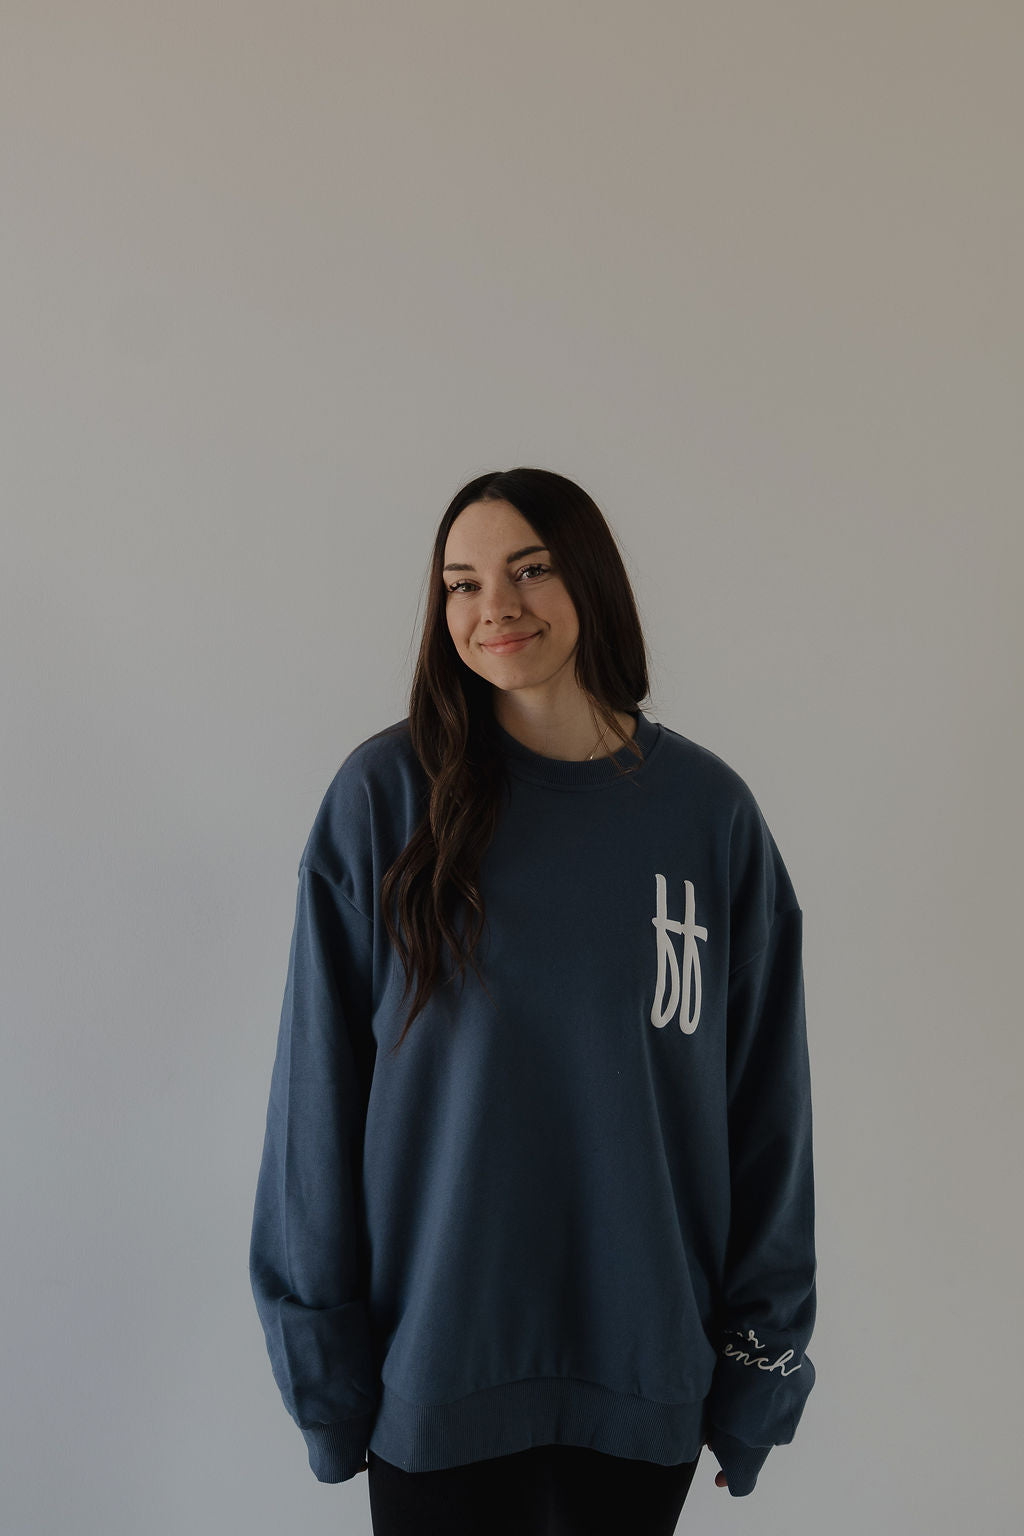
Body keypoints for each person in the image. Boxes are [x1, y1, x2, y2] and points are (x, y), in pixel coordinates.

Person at [248, 468, 817, 1534]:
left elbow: (767, 1120)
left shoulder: (708, 817)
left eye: (528, 569)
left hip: (645, 1390)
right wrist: (325, 1374)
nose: (493, 606)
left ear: (590, 579)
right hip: (433, 1386)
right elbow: (313, 1108)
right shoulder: (384, 802)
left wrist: (759, 1371)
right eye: (460, 583)